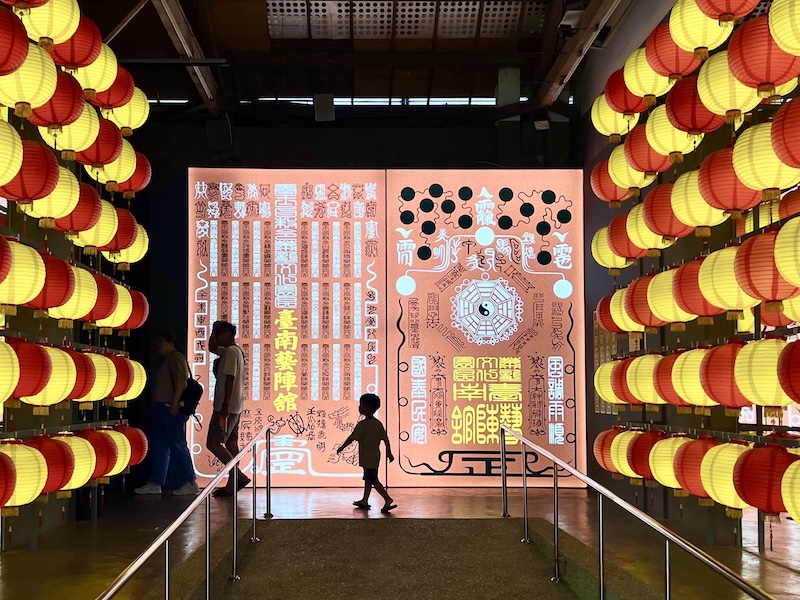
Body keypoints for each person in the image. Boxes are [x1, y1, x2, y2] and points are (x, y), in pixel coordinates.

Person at [135, 333, 199, 496]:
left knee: (177, 444)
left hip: (170, 407)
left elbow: (182, 379)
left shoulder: (176, 357)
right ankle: (156, 482)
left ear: (171, 342)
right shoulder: (170, 359)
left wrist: (175, 402)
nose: (159, 346)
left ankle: (190, 481)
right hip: (163, 407)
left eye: (162, 342)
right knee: (161, 446)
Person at [207, 320, 248, 496]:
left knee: (213, 442)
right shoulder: (234, 351)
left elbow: (229, 378)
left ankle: (237, 475)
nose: (217, 337)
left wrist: (224, 405)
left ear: (229, 334)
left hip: (227, 406)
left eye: (220, 333)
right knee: (231, 443)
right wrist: (213, 330)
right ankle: (232, 483)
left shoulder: (230, 352)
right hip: (235, 406)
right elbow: (211, 347)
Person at [337, 393, 397, 513]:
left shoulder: (363, 425)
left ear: (368, 408)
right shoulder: (377, 423)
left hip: (367, 456)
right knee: (368, 478)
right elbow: (385, 439)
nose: (359, 407)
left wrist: (341, 447)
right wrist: (389, 452)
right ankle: (365, 500)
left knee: (372, 479)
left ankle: (387, 499)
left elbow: (352, 438)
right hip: (375, 455)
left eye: (361, 405)